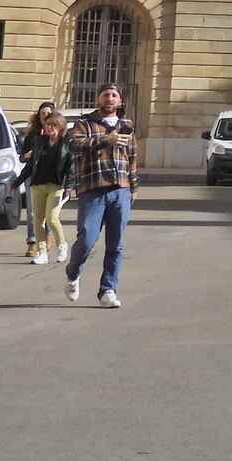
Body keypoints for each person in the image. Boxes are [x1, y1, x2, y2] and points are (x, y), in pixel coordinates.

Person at [63, 85, 138, 308]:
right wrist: (106, 140)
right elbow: (73, 145)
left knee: (116, 244)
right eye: (106, 95)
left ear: (120, 101)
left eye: (114, 95)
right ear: (98, 99)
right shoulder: (85, 123)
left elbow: (132, 156)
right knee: (87, 238)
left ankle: (108, 290)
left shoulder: (127, 125)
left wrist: (133, 186)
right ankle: (73, 272)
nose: (110, 98)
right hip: (92, 189)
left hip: (120, 190)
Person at [20, 104, 69, 265]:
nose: (48, 125)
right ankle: (40, 250)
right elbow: (25, 161)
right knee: (36, 218)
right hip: (36, 182)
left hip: (56, 185)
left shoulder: (66, 141)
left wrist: (70, 186)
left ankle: (61, 245)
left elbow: (71, 165)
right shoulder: (36, 138)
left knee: (52, 218)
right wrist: (16, 182)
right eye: (43, 114)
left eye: (49, 115)